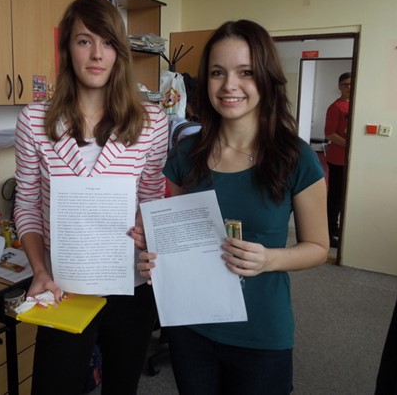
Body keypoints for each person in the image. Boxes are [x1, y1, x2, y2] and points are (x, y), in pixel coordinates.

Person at [136, 20, 329, 395]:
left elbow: (319, 247)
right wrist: (153, 254)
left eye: (246, 72)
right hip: (191, 324)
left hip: (260, 331)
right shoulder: (186, 154)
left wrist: (268, 259)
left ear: (266, 78)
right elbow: (177, 237)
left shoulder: (296, 158)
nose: (229, 85)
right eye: (217, 73)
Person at [13, 0, 168, 395]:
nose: (97, 54)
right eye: (84, 41)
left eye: (108, 42)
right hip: (62, 286)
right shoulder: (35, 120)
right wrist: (40, 271)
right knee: (53, 387)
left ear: (119, 52)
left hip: (130, 284)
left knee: (121, 387)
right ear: (67, 49)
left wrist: (147, 229)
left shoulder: (151, 122)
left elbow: (152, 200)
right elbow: (27, 204)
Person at [324, 72, 351, 247]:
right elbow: (330, 134)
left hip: (350, 160)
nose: (349, 87)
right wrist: (350, 145)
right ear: (340, 86)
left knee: (345, 196)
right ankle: (329, 231)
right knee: (335, 197)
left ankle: (338, 228)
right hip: (337, 159)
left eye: (351, 84)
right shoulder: (336, 107)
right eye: (345, 84)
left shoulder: (355, 104)